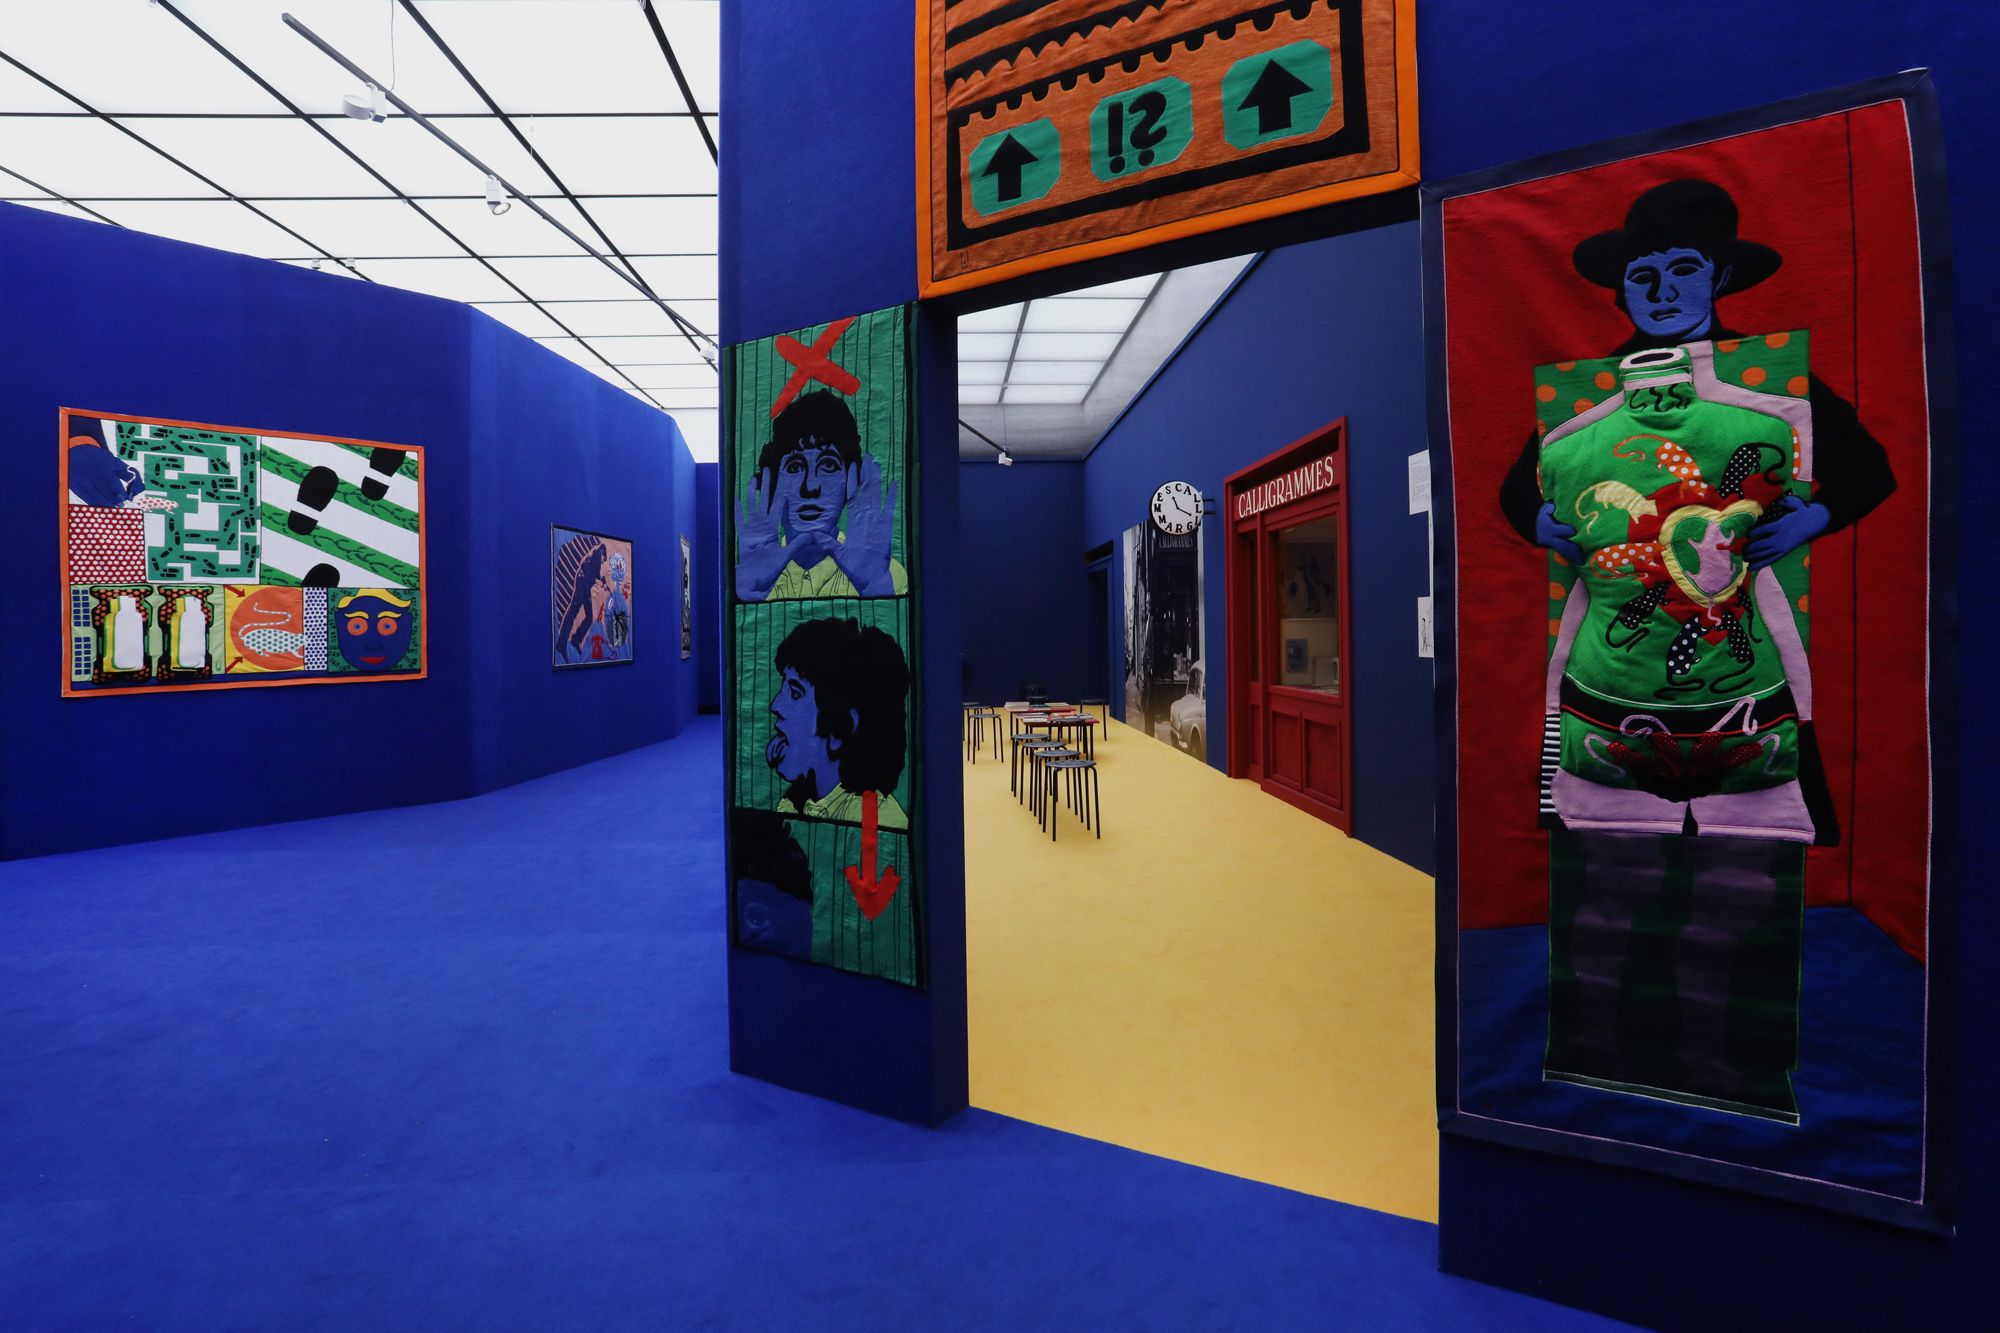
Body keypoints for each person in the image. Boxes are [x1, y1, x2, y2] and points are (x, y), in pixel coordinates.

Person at [1499, 179, 1895, 570]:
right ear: (1622, 290)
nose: (1662, 293)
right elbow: (1520, 489)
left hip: (1744, 579)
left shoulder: (1765, 374)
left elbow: (1868, 470)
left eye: (1684, 270)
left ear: (1719, 278)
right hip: (1622, 583)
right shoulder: (1595, 386)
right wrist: (1539, 524)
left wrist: (1811, 519)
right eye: (1642, 277)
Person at [737, 390, 904, 600]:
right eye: (795, 467)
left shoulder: (889, 575)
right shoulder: (749, 575)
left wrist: (874, 583)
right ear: (774, 482)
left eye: (828, 466)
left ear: (850, 483)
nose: (811, 487)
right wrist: (748, 590)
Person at [766, 616, 910, 828]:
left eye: (795, 693)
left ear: (841, 726)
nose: (776, 705)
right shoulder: (791, 805)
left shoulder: (878, 818)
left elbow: (872, 844)